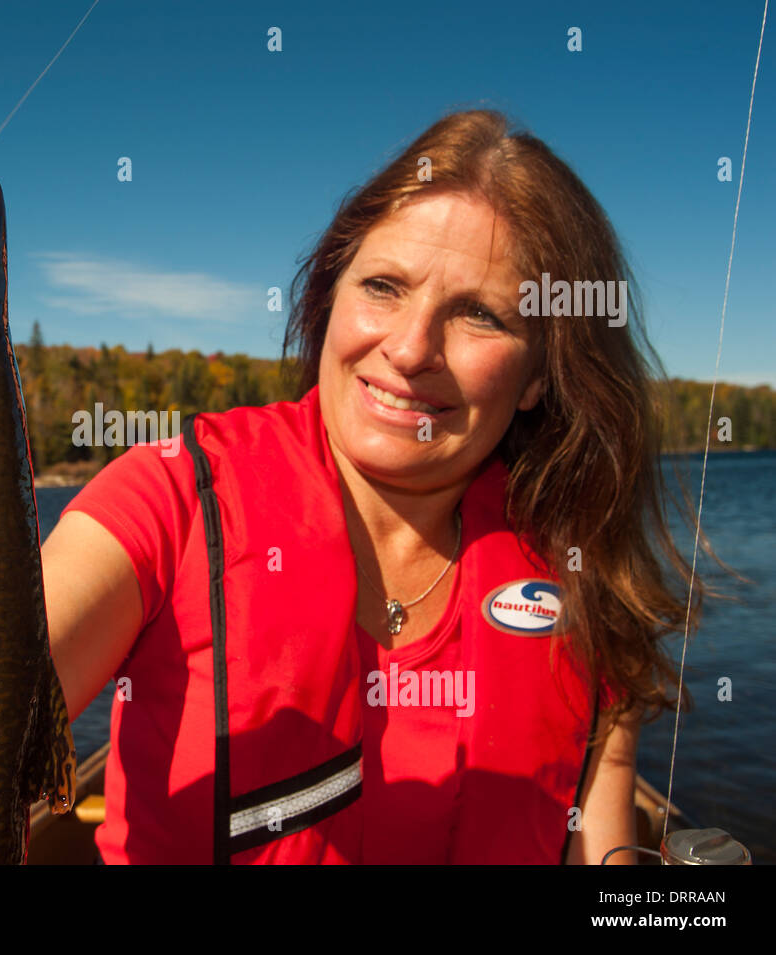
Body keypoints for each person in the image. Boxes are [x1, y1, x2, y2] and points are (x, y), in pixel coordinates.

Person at [40, 109, 702, 865]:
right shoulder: (169, 500)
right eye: (384, 286)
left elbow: (606, 852)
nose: (411, 348)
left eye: (479, 314)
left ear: (538, 376)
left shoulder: (584, 575)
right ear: (330, 296)